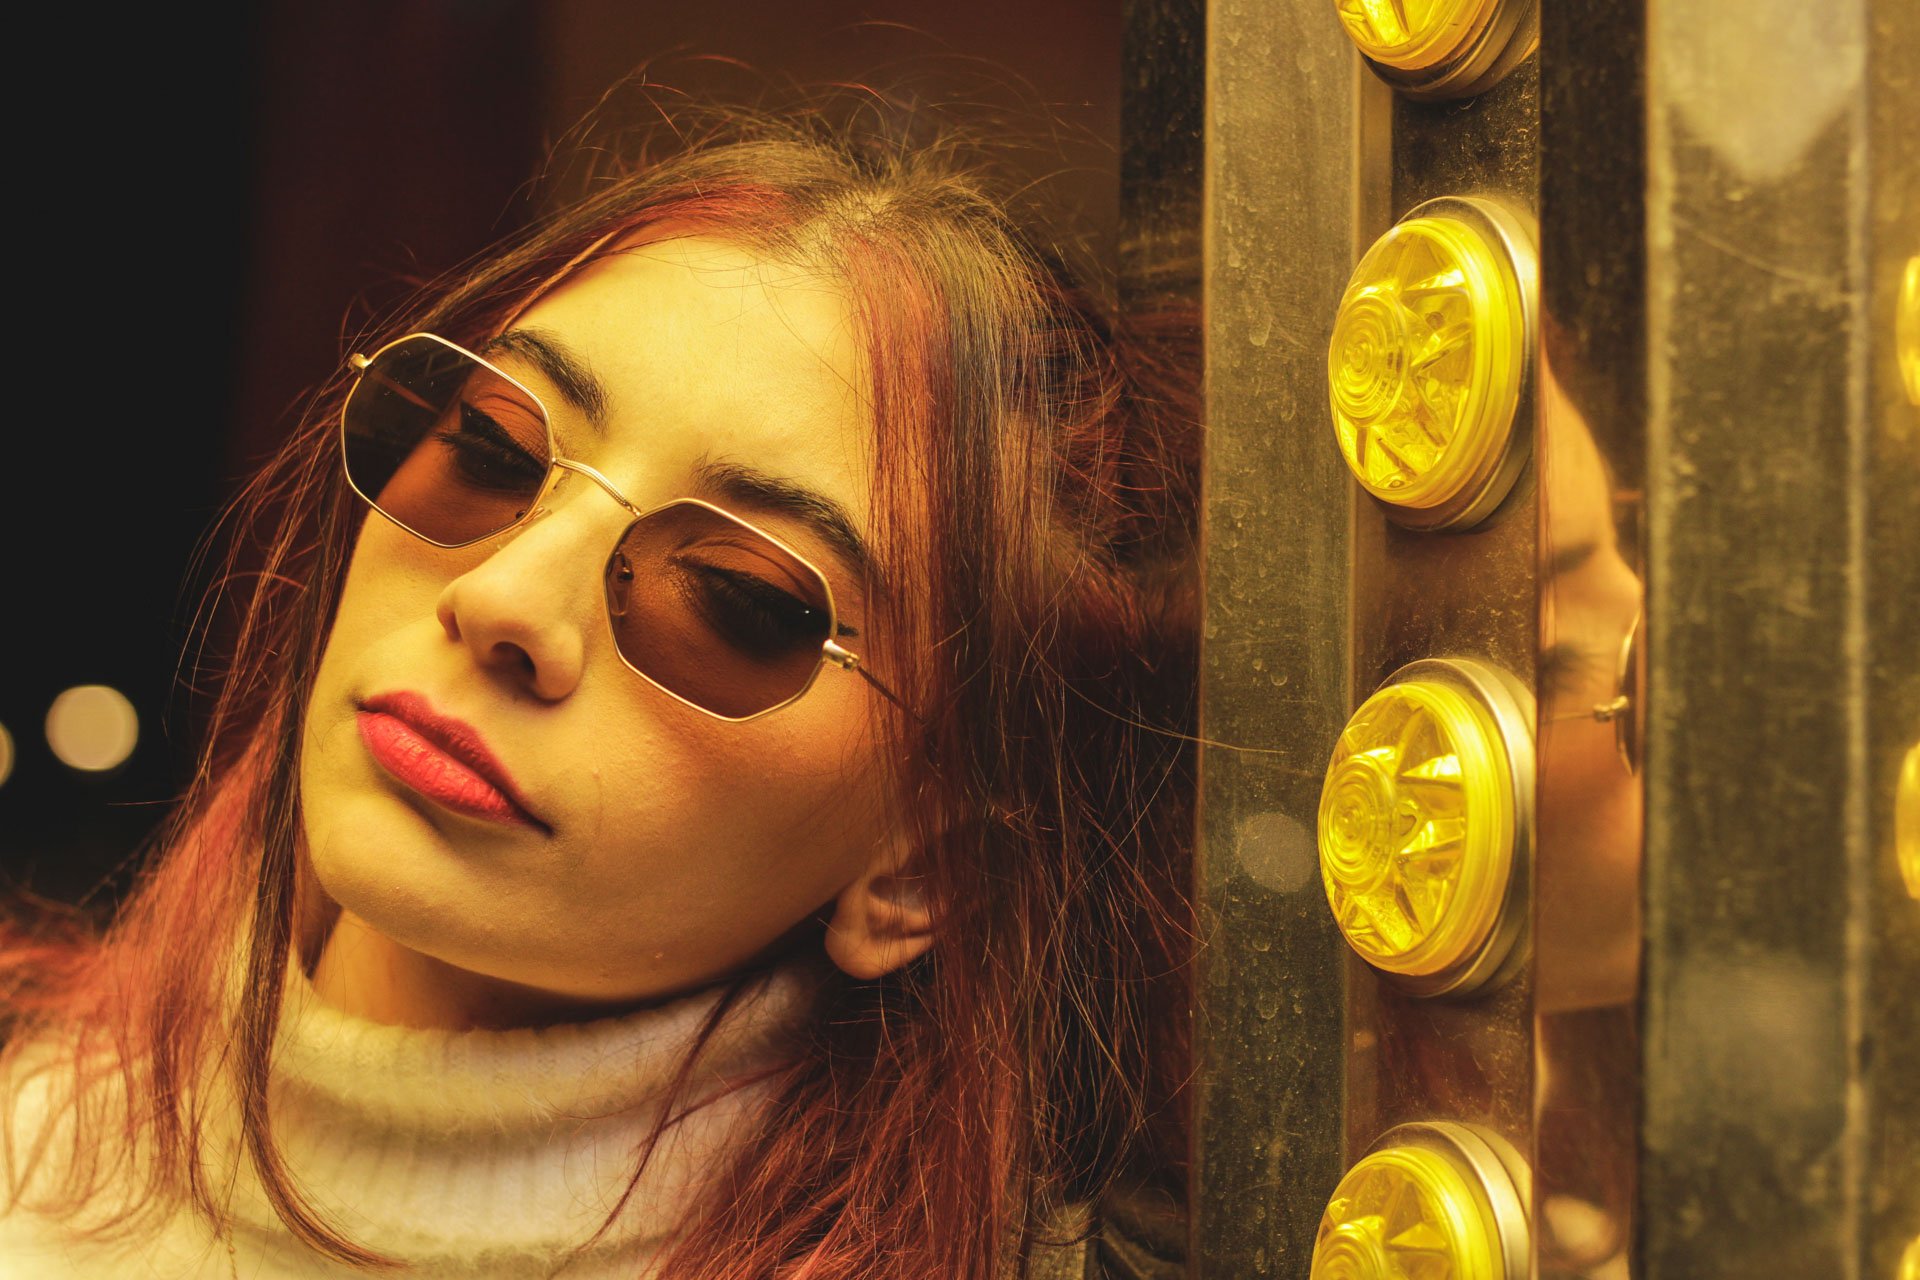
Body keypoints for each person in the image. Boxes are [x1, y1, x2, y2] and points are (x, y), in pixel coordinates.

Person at [0, 101, 1197, 1279]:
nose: (505, 599)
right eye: (493, 451)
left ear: (927, 868)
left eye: (734, 598)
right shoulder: (29, 1147)